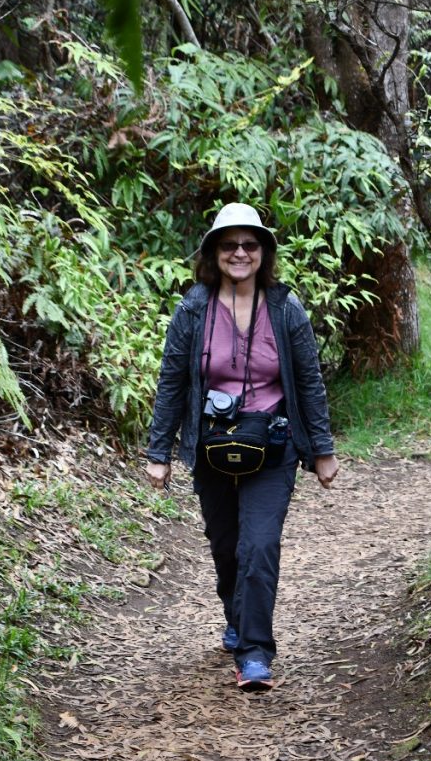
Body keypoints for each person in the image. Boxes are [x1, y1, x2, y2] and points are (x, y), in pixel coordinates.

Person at [145, 203, 339, 691]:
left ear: (263, 253)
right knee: (227, 548)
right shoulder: (194, 308)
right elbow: (172, 381)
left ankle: (255, 651)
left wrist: (321, 449)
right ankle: (237, 614)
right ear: (214, 252)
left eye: (249, 245)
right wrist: (159, 451)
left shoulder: (285, 308)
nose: (239, 253)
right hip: (212, 447)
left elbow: (309, 381)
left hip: (273, 448)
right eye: (229, 244)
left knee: (259, 545)